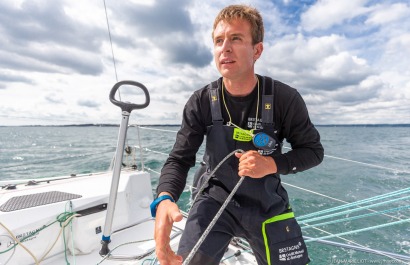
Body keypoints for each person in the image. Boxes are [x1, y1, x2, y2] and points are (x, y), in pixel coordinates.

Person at [151, 4, 324, 265]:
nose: (225, 48)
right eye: (219, 41)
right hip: (213, 201)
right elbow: (180, 158)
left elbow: (313, 152)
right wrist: (164, 198)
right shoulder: (201, 101)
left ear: (257, 50)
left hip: (266, 202)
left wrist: (272, 164)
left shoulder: (284, 99)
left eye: (236, 39)